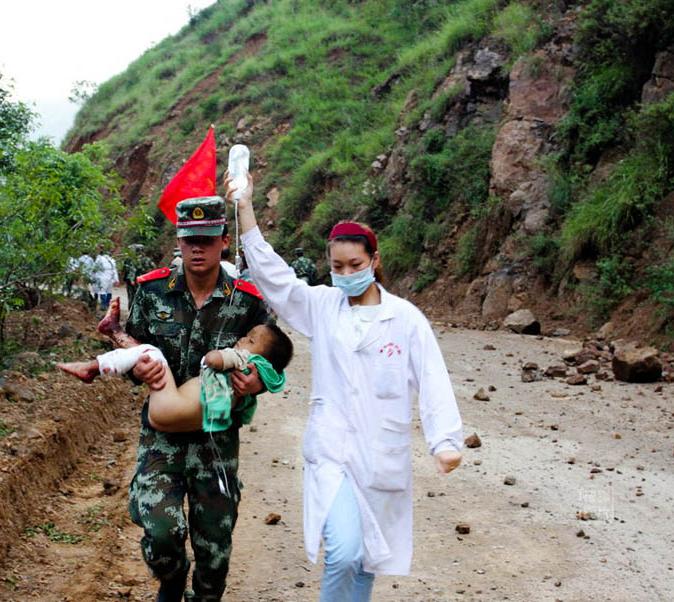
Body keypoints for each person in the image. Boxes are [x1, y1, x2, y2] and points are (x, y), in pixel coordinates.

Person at [226, 173, 463, 601]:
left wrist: (444, 440)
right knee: (344, 552)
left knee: (369, 558)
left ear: (374, 260)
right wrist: (245, 209)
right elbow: (274, 277)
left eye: (355, 265)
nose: (346, 274)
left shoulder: (406, 319)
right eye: (337, 267)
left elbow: (432, 379)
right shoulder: (322, 306)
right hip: (333, 452)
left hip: (381, 455)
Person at [123, 196, 272, 602]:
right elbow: (134, 346)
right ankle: (171, 582)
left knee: (215, 551)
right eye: (190, 240)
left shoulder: (248, 300)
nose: (198, 248)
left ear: (224, 240)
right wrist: (136, 366)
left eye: (207, 239)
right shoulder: (152, 291)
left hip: (216, 440)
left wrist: (256, 381)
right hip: (163, 434)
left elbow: (273, 359)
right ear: (179, 240)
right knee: (161, 534)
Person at [56, 312, 292, 432]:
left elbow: (214, 359)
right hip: (172, 422)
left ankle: (93, 367)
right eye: (192, 239)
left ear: (223, 242)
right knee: (147, 355)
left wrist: (224, 358)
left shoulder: (242, 357)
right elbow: (275, 374)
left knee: (152, 352)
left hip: (168, 406)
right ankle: (115, 331)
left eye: (249, 340)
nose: (241, 339)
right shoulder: (156, 287)